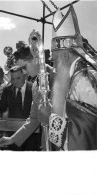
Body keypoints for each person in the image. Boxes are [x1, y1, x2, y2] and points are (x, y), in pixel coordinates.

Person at [48, 5, 97, 150]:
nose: (54, 66)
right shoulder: (72, 77)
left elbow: (87, 132)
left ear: (65, 55)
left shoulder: (85, 79)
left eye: (55, 60)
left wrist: (49, 120)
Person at [0, 39, 54, 151]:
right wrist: (12, 139)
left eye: (25, 68)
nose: (24, 73)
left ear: (36, 59)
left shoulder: (58, 76)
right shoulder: (36, 86)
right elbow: (34, 119)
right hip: (47, 146)